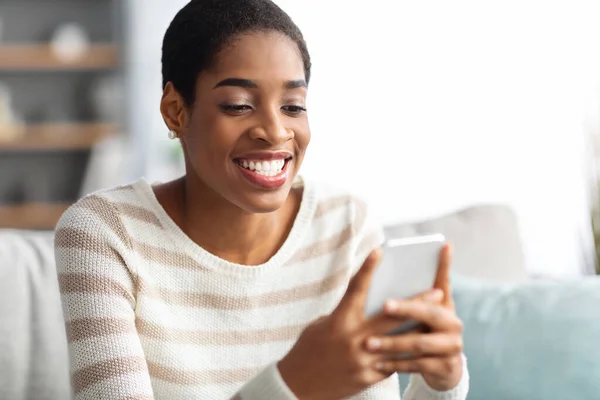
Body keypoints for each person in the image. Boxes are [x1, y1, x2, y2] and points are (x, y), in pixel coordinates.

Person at [55, 0, 469, 398]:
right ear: (176, 111)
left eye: (293, 106)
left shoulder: (347, 226)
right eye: (239, 105)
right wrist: (292, 385)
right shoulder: (105, 234)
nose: (275, 131)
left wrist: (442, 383)